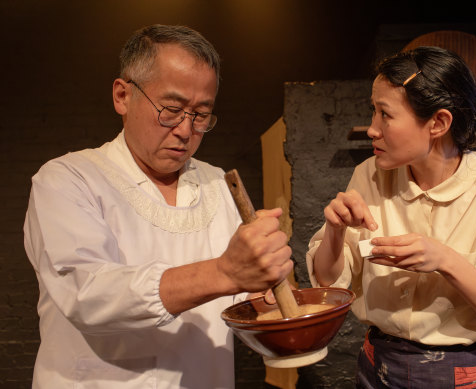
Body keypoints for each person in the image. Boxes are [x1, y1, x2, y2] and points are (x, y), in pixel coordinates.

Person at [23, 24, 292, 389]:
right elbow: (86, 293)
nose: (185, 130)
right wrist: (225, 272)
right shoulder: (69, 179)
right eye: (171, 109)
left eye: (200, 115)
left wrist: (265, 293)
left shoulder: (218, 184)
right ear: (122, 95)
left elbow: (242, 301)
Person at [306, 46, 476, 388]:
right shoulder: (369, 175)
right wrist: (334, 230)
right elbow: (330, 283)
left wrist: (445, 260)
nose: (372, 129)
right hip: (378, 369)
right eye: (372, 112)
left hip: (466, 376)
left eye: (385, 115)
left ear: (438, 122)